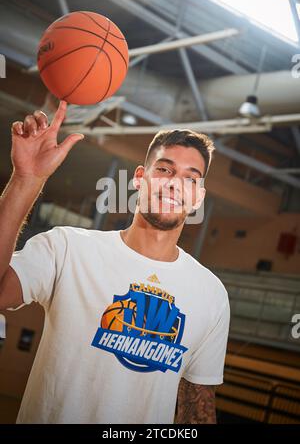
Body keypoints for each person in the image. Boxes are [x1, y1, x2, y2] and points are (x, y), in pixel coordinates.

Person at [0, 101, 230, 424]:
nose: (175, 183)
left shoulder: (212, 295)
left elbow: (197, 410)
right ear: (139, 178)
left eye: (191, 179)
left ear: (198, 197)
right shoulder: (69, 248)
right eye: (164, 169)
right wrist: (25, 180)